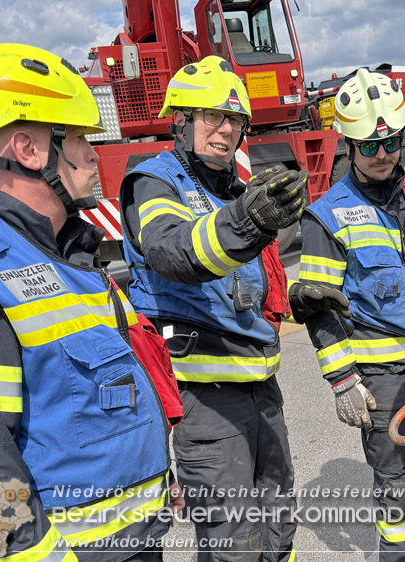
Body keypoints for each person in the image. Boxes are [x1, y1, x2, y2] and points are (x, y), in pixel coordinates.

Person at [0, 44, 180, 562]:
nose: (93, 154)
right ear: (28, 149)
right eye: (82, 138)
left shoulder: (68, 256)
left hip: (134, 540)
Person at [118, 55, 306, 562]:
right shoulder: (154, 181)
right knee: (233, 544)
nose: (225, 130)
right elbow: (172, 252)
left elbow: (258, 283)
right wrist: (247, 221)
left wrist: (299, 296)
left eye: (235, 121)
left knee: (278, 526)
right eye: (211, 118)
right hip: (203, 397)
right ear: (180, 120)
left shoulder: (235, 191)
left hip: (260, 387)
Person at [289, 68, 405, 562]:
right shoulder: (327, 217)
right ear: (349, 144)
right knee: (398, 487)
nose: (384, 154)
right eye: (370, 146)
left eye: (390, 141)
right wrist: (343, 380)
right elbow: (317, 308)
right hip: (383, 378)